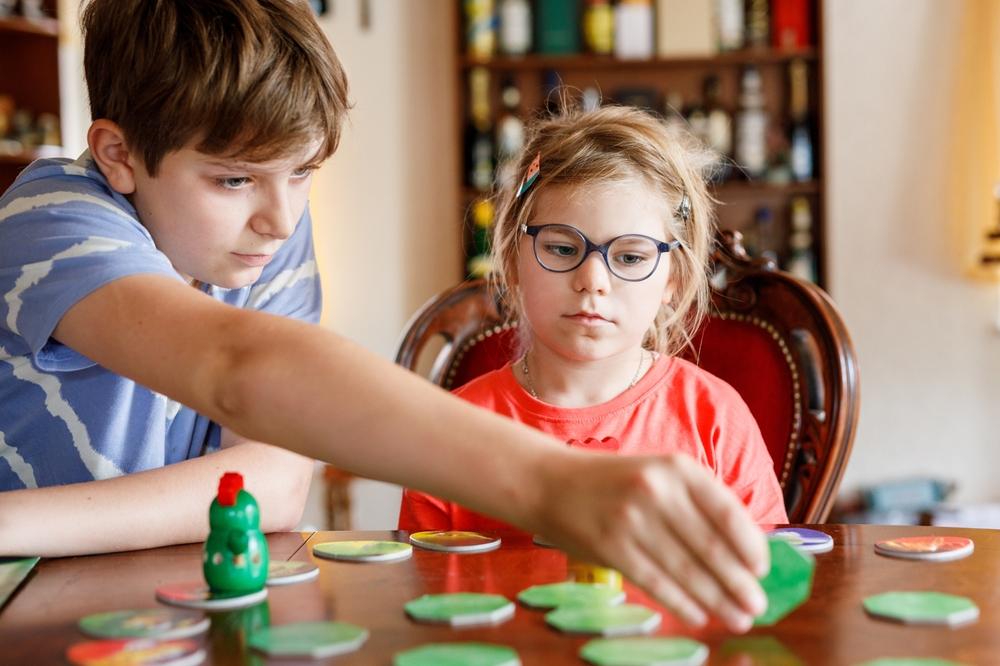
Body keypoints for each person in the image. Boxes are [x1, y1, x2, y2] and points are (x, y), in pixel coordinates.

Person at [0, 0, 769, 632]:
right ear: (118, 155)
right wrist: (550, 482)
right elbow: (238, 369)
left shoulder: (263, 236)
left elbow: (272, 485)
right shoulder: (51, 220)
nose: (280, 217)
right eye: (235, 179)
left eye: (303, 172)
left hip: (153, 614)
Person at [400, 105, 787, 536]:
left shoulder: (715, 419)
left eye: (630, 256)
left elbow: (765, 581)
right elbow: (424, 590)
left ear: (673, 277)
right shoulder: (453, 433)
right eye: (563, 249)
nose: (592, 282)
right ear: (511, 259)